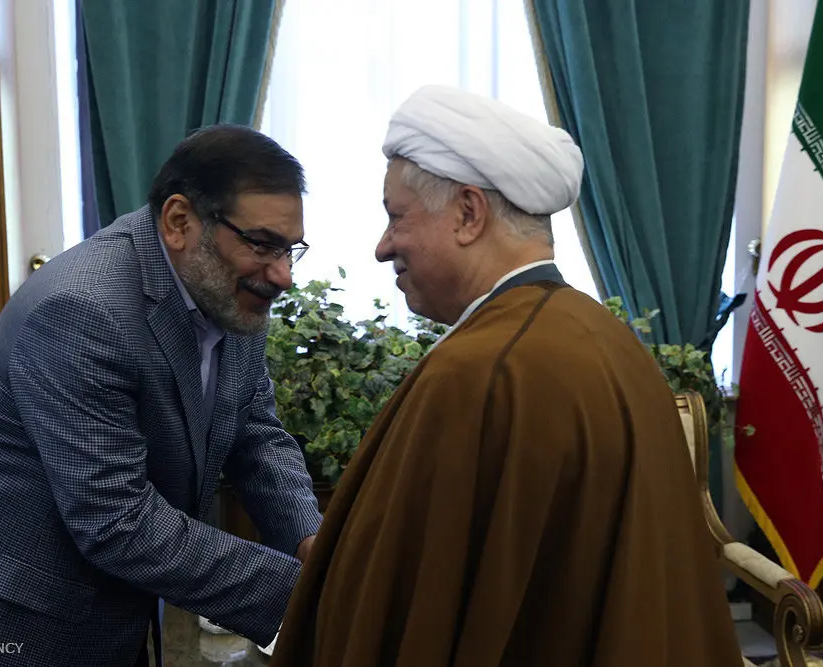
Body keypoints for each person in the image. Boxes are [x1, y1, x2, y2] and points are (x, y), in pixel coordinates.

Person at [269, 86, 743, 665]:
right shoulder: (606, 338)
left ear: (469, 214)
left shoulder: (483, 371)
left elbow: (414, 606)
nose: (382, 247)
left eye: (396, 217)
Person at [0, 124, 322, 666]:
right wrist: (303, 594)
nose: (283, 275)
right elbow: (116, 518)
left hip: (108, 615)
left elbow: (255, 436)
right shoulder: (84, 310)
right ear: (180, 221)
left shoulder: (229, 292)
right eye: (263, 245)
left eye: (291, 249)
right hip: (3, 628)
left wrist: (313, 543)